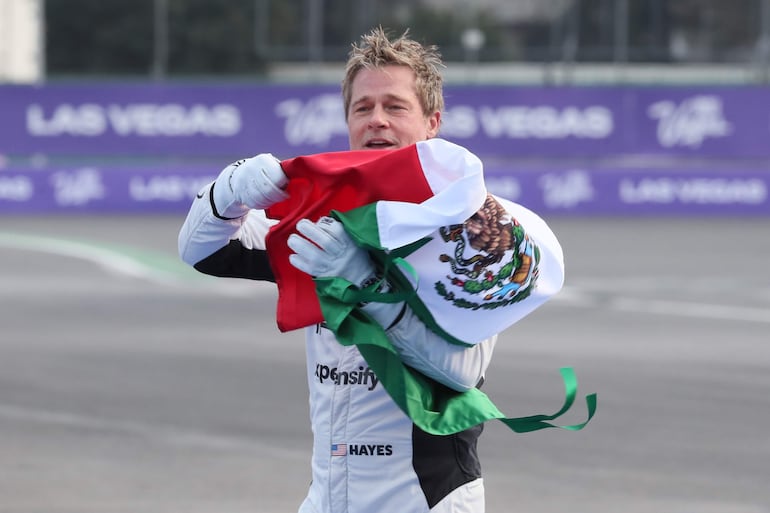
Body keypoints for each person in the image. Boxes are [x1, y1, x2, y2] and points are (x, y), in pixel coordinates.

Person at [178, 27, 553, 513]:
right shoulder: (323, 224)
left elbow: (460, 373)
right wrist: (229, 189)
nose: (377, 120)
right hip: (329, 498)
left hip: (426, 500)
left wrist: (367, 284)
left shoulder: (468, 226)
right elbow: (200, 251)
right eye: (363, 107)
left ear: (432, 122)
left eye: (395, 107)